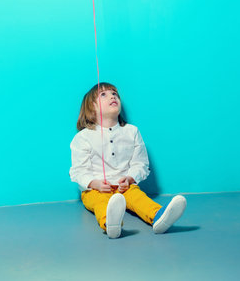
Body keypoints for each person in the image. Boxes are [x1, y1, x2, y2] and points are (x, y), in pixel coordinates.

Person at [70, 82, 187, 239]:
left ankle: (159, 217)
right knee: (100, 203)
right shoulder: (83, 137)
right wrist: (94, 183)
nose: (112, 96)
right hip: (96, 190)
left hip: (125, 187)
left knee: (139, 199)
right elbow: (79, 171)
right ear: (91, 107)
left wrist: (130, 178)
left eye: (115, 94)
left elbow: (141, 164)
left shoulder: (132, 131)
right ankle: (111, 223)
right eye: (103, 94)